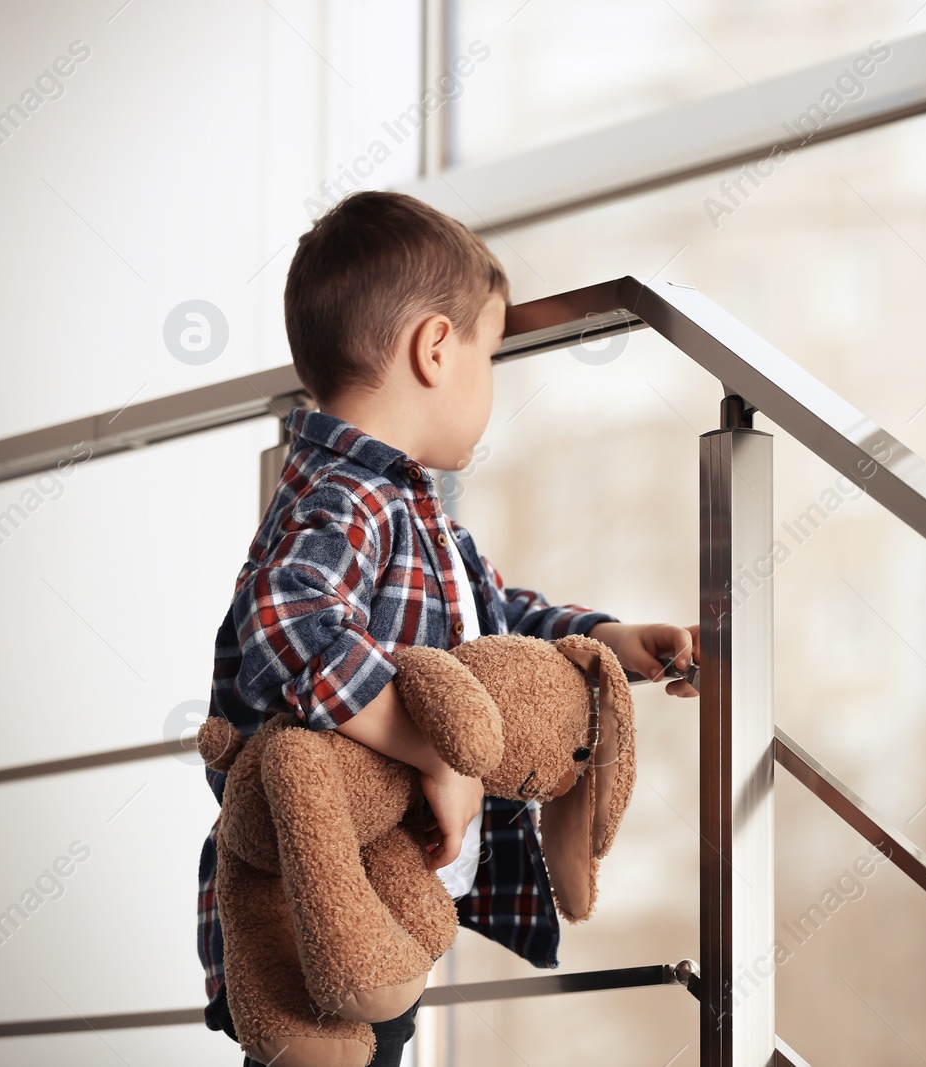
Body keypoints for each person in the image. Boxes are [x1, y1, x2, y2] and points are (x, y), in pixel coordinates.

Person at [194, 189, 699, 1065]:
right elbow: (287, 619)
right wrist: (434, 750)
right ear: (436, 349)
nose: (492, 381)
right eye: (491, 354)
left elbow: (492, 622)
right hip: (315, 914)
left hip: (378, 902)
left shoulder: (409, 510)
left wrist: (610, 639)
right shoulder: (348, 497)